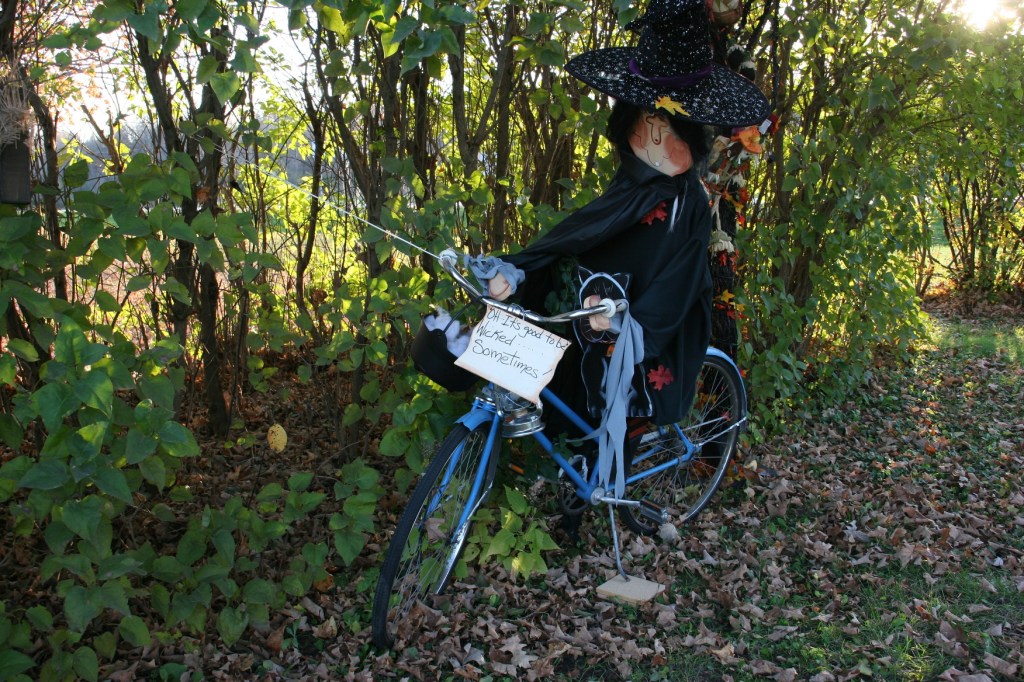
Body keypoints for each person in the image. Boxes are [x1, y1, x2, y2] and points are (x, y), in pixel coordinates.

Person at [472, 0, 769, 505]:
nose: (654, 141)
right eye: (646, 126)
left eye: (669, 132)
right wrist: (518, 270)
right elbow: (580, 234)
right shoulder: (630, 185)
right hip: (597, 310)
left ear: (692, 137)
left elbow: (682, 277)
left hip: (649, 323)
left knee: (628, 401)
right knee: (576, 388)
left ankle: (614, 491)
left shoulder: (690, 205)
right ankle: (583, 481)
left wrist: (634, 325)